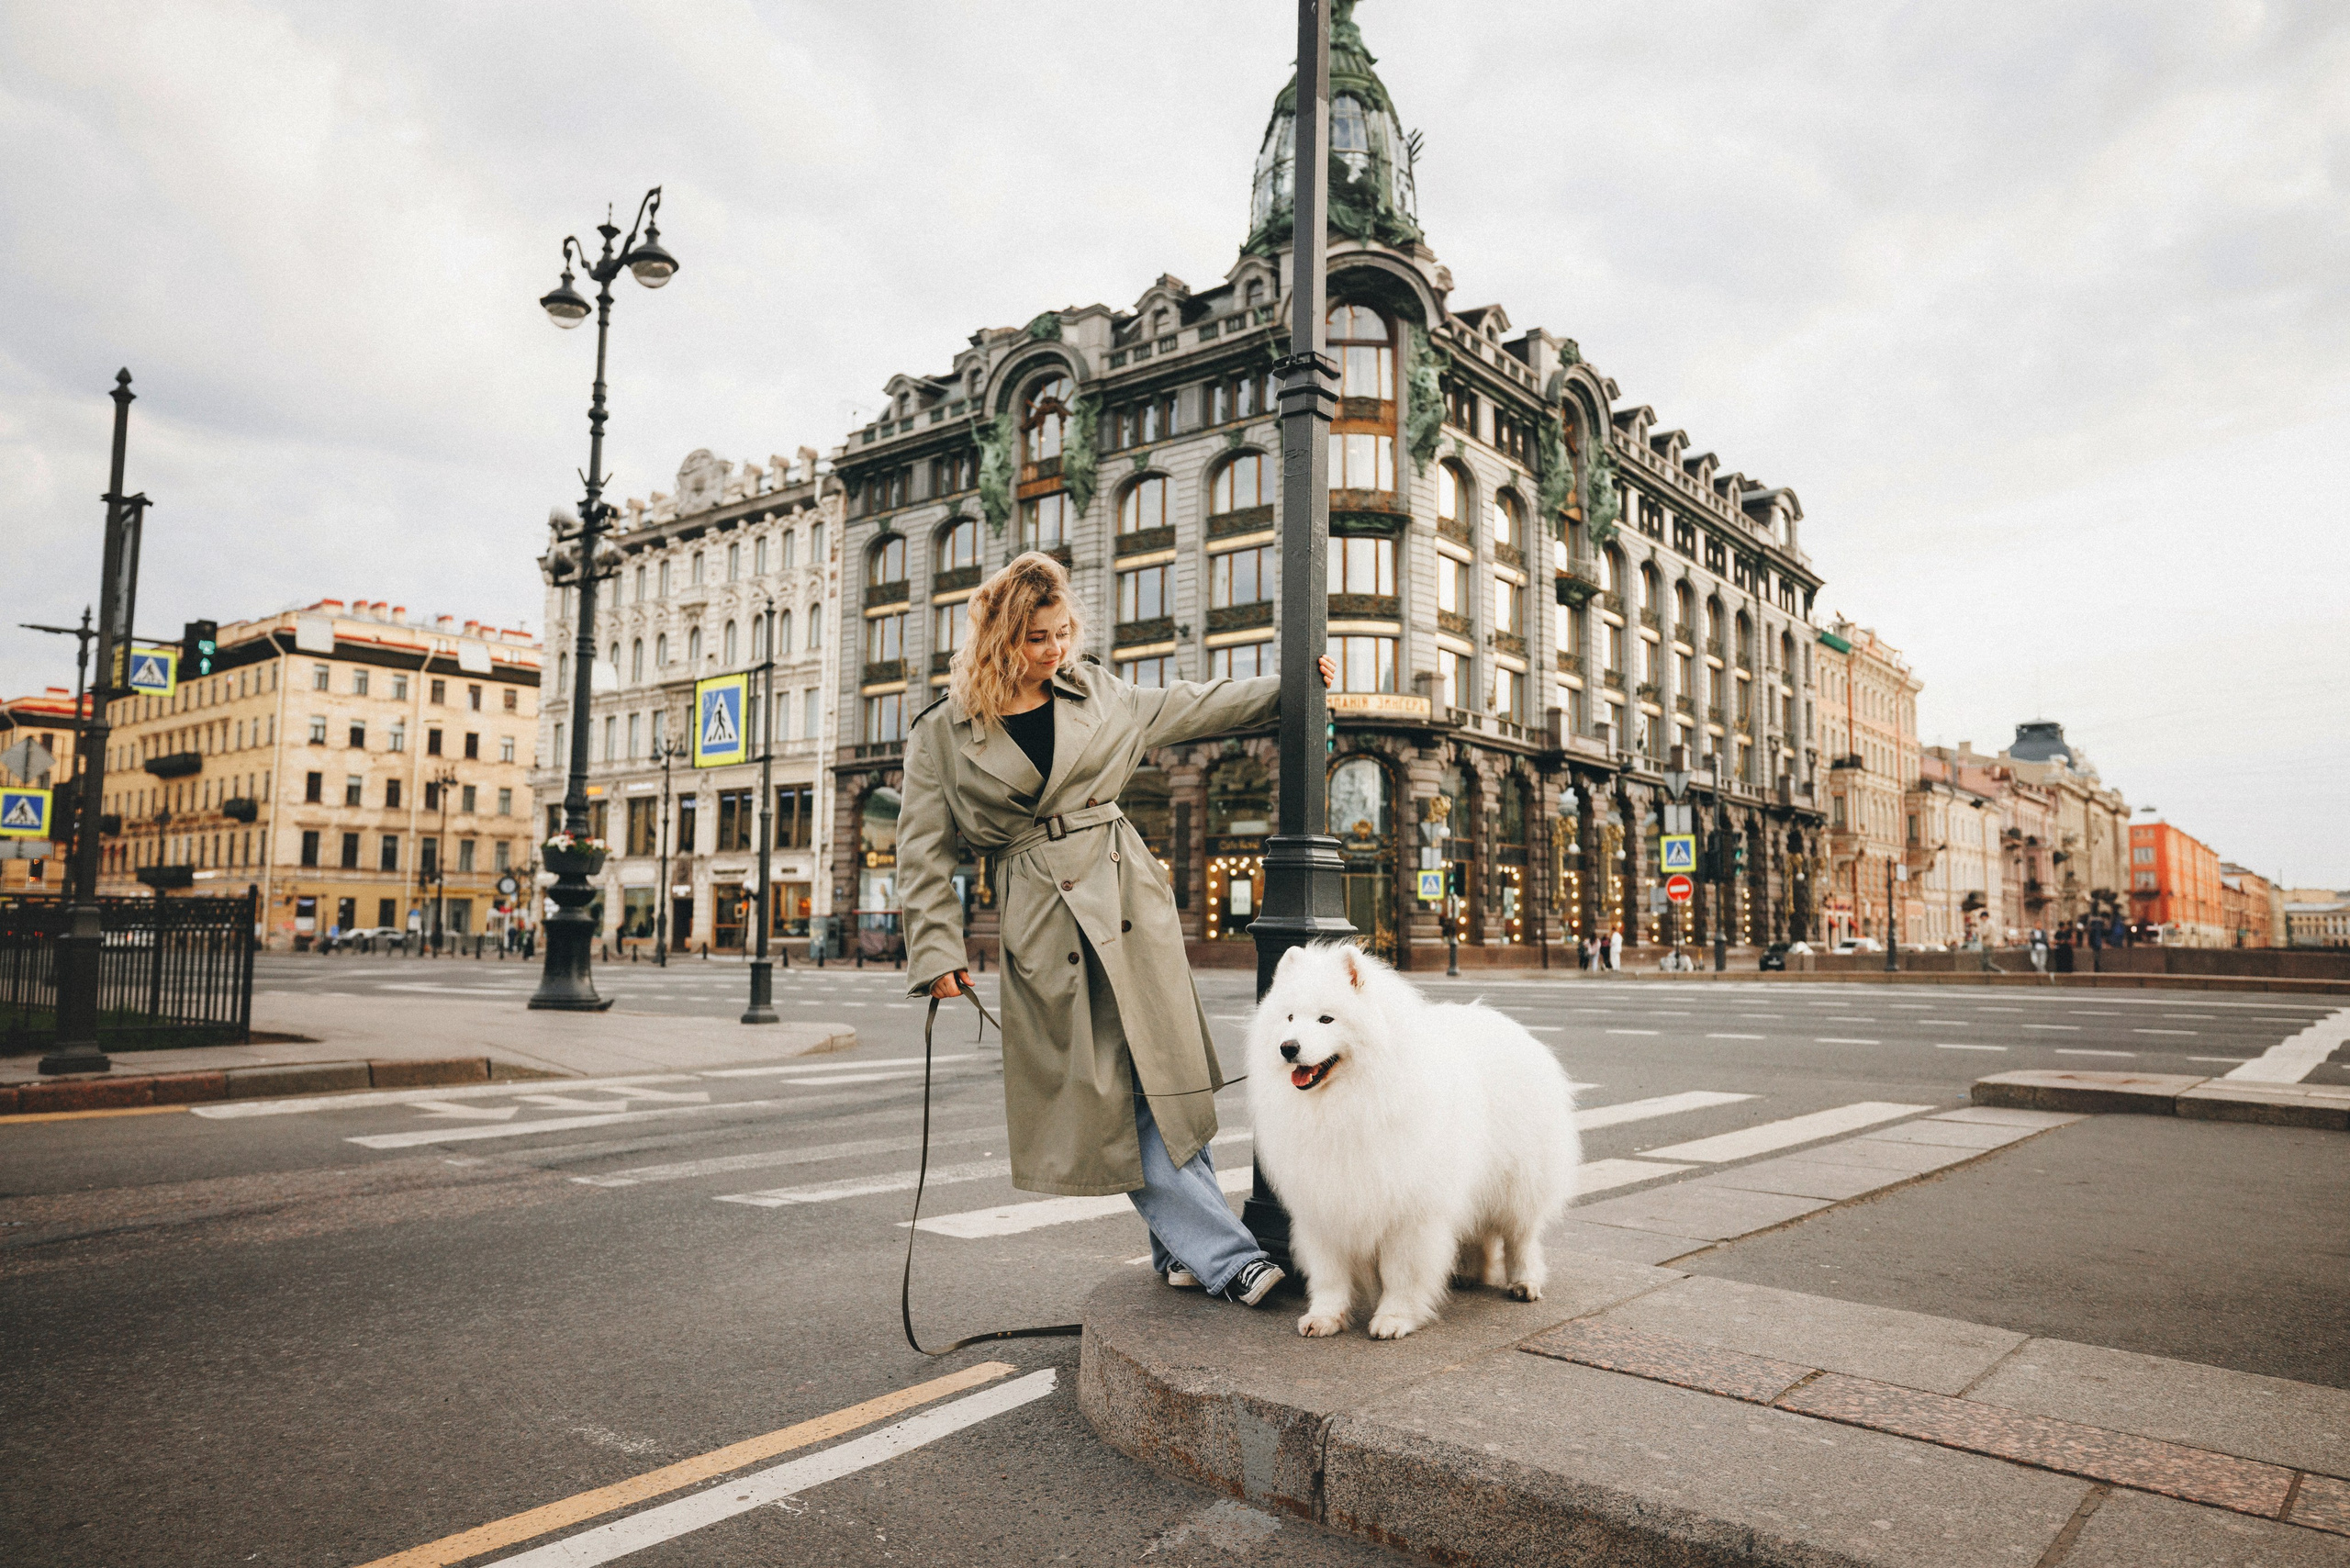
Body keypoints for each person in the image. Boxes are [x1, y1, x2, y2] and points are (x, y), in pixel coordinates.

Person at [897, 552, 1335, 1308]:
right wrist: (936, 950)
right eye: (1038, 638)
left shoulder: (1099, 692)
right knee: (1112, 1095)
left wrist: (1295, 688)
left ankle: (1182, 1251)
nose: (1055, 650)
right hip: (1044, 926)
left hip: (1130, 902)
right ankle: (1229, 1257)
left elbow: (1196, 705)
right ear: (1001, 640)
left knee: (1166, 1081)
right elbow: (923, 853)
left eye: (1063, 632)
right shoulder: (944, 735)